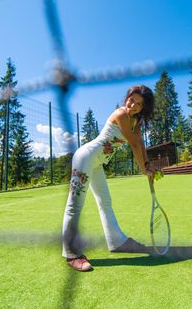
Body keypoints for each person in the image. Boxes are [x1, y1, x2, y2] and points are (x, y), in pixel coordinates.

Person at [62, 85, 156, 272]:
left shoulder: (135, 121)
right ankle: (71, 254)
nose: (132, 105)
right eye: (131, 99)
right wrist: (143, 170)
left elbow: (140, 143)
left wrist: (147, 166)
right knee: (74, 205)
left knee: (105, 201)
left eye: (138, 104)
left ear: (143, 108)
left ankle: (117, 241)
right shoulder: (121, 114)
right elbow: (134, 146)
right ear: (127, 97)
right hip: (85, 158)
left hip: (96, 164)